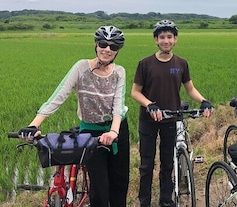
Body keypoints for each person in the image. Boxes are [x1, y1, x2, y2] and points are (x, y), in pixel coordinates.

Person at [18, 26, 130, 207]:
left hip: (117, 131)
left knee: (119, 184)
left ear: (117, 51)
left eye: (113, 47)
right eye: (103, 44)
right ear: (96, 45)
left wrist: (113, 132)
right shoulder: (81, 67)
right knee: (100, 191)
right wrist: (33, 125)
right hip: (91, 133)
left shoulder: (119, 72)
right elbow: (58, 97)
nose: (107, 49)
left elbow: (118, 105)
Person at [131, 19, 214, 207]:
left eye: (170, 37)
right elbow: (135, 92)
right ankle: (144, 202)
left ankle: (166, 201)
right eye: (162, 37)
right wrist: (150, 105)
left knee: (168, 163)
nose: (166, 41)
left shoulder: (181, 64)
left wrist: (203, 101)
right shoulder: (145, 64)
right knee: (146, 165)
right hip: (148, 119)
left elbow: (190, 89)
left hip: (171, 118)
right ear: (156, 40)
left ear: (175, 39)